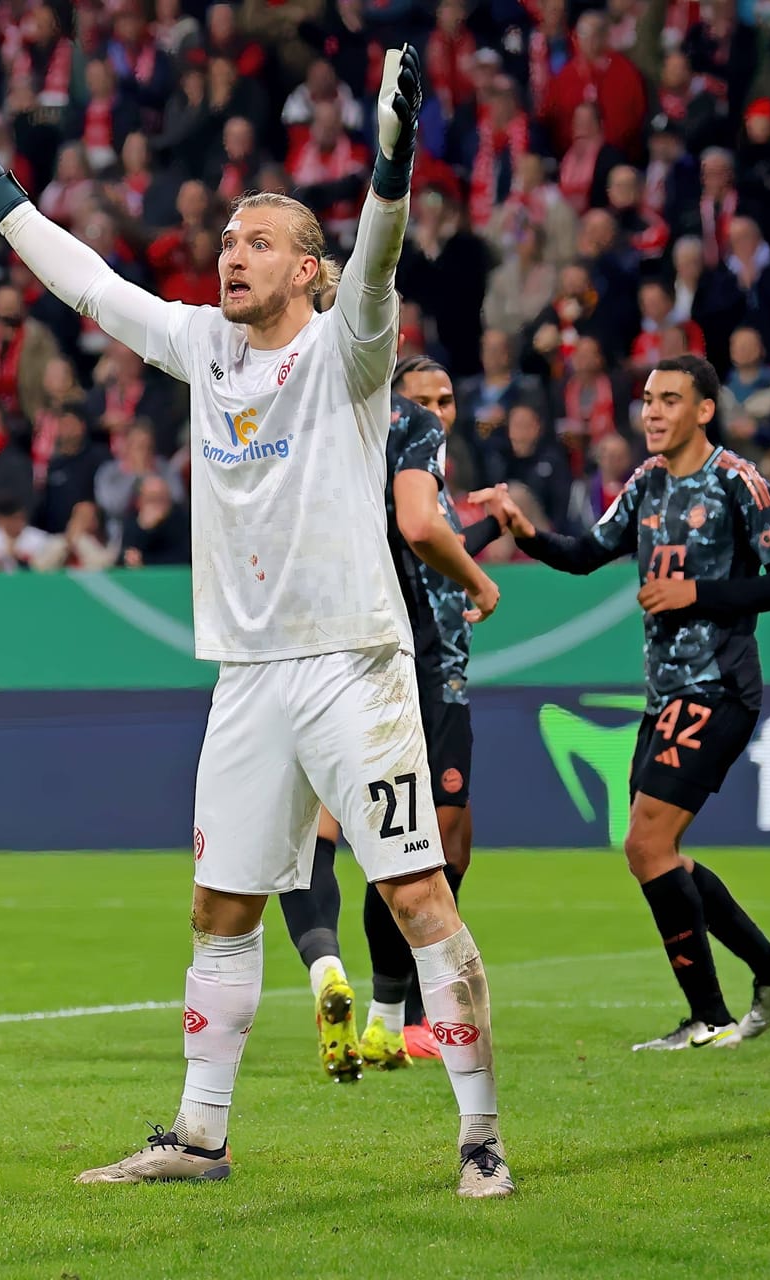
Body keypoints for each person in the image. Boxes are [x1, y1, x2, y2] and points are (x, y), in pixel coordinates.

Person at [0, 49, 515, 1197]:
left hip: (350, 666)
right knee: (219, 905)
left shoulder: (349, 351)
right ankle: (199, 1134)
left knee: (415, 894)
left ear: (309, 271)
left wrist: (393, 157)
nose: (233, 251)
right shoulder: (205, 350)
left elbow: (379, 256)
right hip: (247, 675)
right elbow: (91, 286)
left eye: (260, 239)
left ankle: (480, 1138)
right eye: (227, 238)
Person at [475, 354, 770, 1052]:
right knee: (657, 853)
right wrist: (520, 528)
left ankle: (710, 1017)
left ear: (703, 411)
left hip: (719, 687)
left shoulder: (736, 483)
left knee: (645, 843)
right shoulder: (647, 483)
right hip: (665, 693)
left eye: (669, 400)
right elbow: (583, 553)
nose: (652, 412)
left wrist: (698, 593)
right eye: (648, 400)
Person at [275, 355, 504, 1078]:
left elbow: (433, 531)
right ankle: (398, 1018)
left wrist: (487, 527)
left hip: (336, 658)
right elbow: (421, 532)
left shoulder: (347, 458)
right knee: (408, 847)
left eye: (446, 396)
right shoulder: (402, 443)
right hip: (404, 671)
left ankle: (348, 988)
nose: (438, 408)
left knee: (430, 845)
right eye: (422, 396)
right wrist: (482, 575)